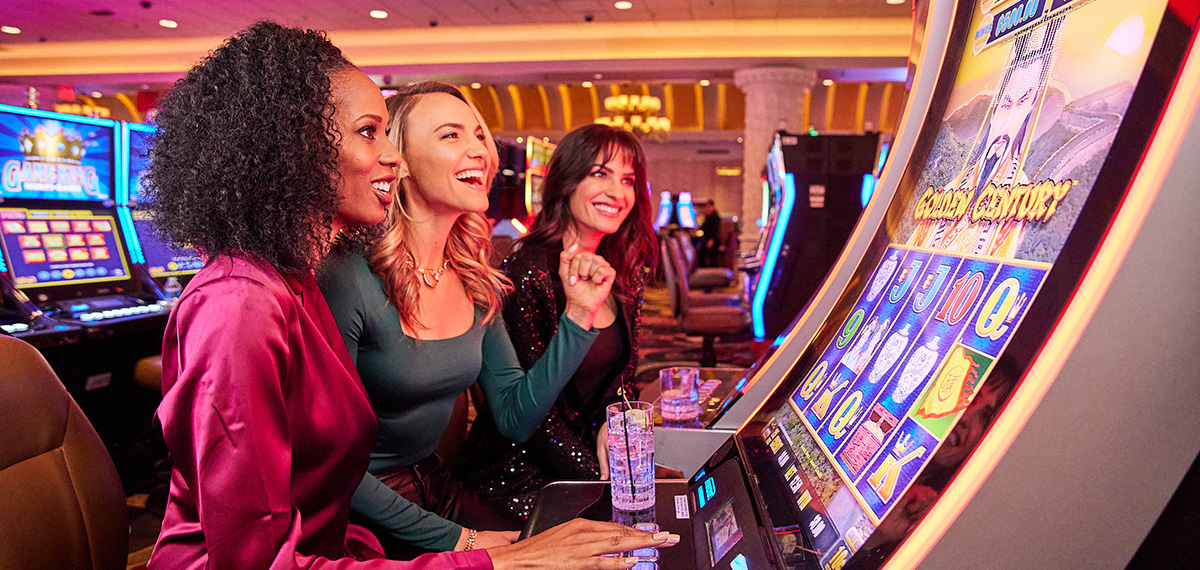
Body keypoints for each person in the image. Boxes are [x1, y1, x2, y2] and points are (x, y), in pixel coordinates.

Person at [144, 22, 675, 570]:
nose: (391, 158)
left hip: (358, 533)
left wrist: (580, 317)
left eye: (480, 135)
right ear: (295, 147)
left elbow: (329, 481)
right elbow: (262, 550)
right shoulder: (248, 301)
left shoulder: (298, 283)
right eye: (371, 133)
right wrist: (480, 554)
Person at [318, 82, 620, 557]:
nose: (480, 149)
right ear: (400, 159)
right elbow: (329, 465)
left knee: (586, 555)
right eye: (451, 135)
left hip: (435, 483)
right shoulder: (347, 276)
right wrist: (463, 543)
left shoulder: (472, 279)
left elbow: (516, 417)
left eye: (479, 135)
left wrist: (579, 316)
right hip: (354, 507)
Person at [455, 124, 659, 519]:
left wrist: (614, 422)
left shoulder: (621, 272)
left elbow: (623, 378)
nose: (618, 193)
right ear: (566, 181)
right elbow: (532, 415)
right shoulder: (528, 270)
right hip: (520, 477)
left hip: (586, 471)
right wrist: (600, 479)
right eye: (600, 174)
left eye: (628, 179)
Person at [697, 200, 722, 267]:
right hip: (707, 240)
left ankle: (712, 272)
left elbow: (716, 230)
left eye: (708, 207)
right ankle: (706, 270)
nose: (707, 209)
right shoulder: (708, 216)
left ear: (712, 207)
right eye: (706, 207)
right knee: (701, 254)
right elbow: (703, 227)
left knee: (711, 258)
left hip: (713, 242)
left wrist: (711, 240)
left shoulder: (715, 217)